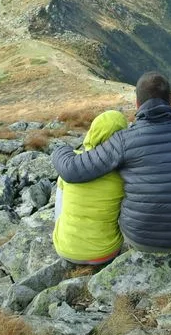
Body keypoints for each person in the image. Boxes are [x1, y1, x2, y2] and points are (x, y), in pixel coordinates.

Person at [52, 72, 171, 257]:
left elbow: (72, 171)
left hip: (138, 238)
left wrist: (60, 149)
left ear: (137, 104)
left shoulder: (124, 140)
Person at [52, 110, 128, 264]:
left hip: (64, 249)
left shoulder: (72, 163)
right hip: (105, 253)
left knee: (62, 187)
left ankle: (67, 234)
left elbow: (58, 205)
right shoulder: (124, 174)